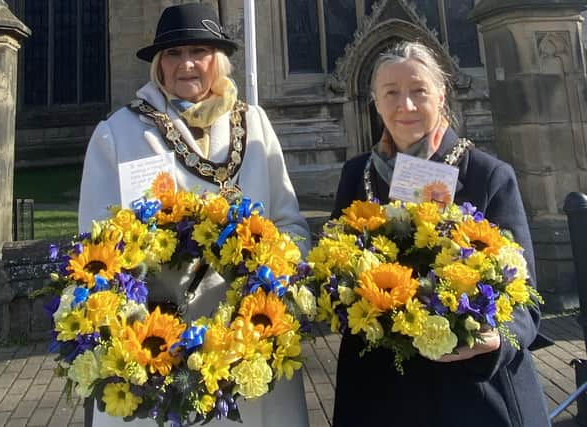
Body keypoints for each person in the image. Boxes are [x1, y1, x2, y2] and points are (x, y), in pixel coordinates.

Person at [78, 3, 311, 426]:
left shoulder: (255, 125)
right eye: (173, 54)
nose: (186, 63)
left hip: (251, 343)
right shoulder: (118, 133)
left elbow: (289, 223)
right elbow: (96, 250)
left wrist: (275, 280)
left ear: (217, 61)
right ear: (159, 67)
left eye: (199, 51)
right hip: (158, 349)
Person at [331, 41, 549, 427]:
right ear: (375, 102)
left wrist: (496, 337)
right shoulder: (356, 175)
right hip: (380, 395)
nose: (406, 106)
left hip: (472, 394)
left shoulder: (487, 176)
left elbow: (526, 301)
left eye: (419, 91)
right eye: (392, 94)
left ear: (441, 94)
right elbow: (334, 271)